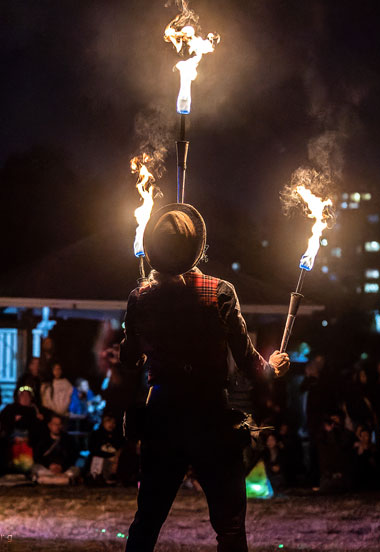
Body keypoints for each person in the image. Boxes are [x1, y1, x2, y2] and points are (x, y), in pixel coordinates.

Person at [120, 203, 289, 552]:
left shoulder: (140, 296)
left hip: (162, 415)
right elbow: (248, 363)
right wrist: (272, 368)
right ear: (197, 246)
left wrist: (138, 331)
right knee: (229, 526)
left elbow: (129, 360)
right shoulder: (220, 291)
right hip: (209, 415)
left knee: (147, 521)